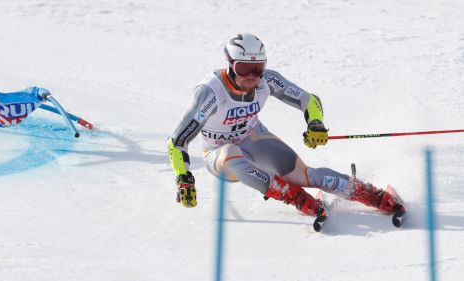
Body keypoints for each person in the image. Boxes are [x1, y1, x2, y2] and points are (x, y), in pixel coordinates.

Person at [167, 33, 402, 217]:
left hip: (254, 138)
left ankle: (372, 195)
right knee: (231, 153)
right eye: (244, 69)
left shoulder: (267, 80)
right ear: (229, 65)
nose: (253, 76)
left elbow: (308, 99)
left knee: (307, 175)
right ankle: (295, 197)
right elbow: (177, 141)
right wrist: (183, 177)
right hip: (218, 155)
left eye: (258, 68)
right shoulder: (210, 93)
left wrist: (316, 123)